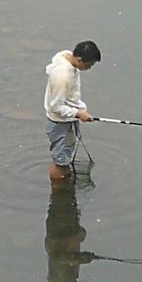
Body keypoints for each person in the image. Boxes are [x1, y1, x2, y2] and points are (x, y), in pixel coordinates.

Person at [44, 40, 101, 184]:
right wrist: (78, 113)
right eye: (89, 65)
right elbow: (55, 106)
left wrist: (79, 111)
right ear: (79, 59)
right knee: (61, 163)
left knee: (65, 155)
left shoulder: (67, 56)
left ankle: (64, 184)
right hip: (60, 123)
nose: (89, 68)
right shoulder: (62, 76)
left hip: (68, 118)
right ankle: (58, 190)